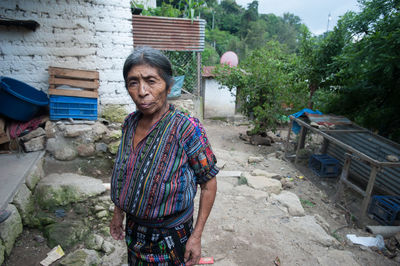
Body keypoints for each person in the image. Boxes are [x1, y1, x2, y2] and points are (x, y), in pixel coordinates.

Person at [110, 47, 218, 266]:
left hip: (171, 237)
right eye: (133, 82)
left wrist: (196, 237)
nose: (142, 91)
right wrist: (118, 213)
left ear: (169, 86)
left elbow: (209, 184)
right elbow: (125, 173)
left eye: (151, 81)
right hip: (135, 233)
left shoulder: (187, 128)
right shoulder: (129, 124)